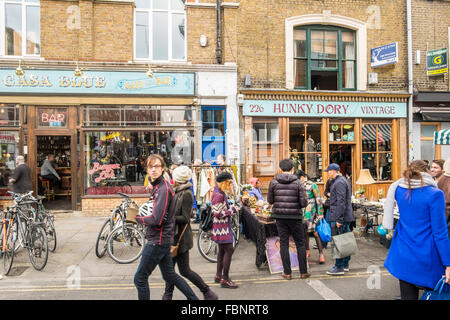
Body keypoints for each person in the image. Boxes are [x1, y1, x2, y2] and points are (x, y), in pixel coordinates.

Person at [133, 154, 199, 300]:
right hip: (163, 239)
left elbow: (157, 219)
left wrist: (138, 218)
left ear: (163, 169)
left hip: (158, 240)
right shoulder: (158, 187)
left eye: (157, 166)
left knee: (140, 278)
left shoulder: (163, 189)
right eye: (150, 167)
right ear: (147, 169)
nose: (153, 169)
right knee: (170, 275)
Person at [383, 160, 450, 300]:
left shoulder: (399, 190)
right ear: (427, 172)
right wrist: (448, 263)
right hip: (427, 255)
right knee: (438, 294)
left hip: (404, 252)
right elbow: (440, 233)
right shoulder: (435, 194)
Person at [162, 166, 218, 300]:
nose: (172, 179)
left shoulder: (186, 193)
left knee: (184, 271)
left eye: (174, 176)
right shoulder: (176, 191)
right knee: (170, 270)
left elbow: (186, 219)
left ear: (179, 179)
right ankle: (168, 295)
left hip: (181, 238)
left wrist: (168, 218)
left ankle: (207, 292)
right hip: (173, 236)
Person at [267, 159, 310, 280]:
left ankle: (287, 273)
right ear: (292, 169)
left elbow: (270, 201)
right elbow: (303, 202)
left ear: (280, 169)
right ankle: (303, 272)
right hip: (295, 217)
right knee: (300, 243)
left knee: (284, 244)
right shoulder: (298, 183)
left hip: (280, 217)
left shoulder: (274, 182)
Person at [325, 163, 354, 276]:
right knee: (344, 241)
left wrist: (339, 219)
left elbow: (341, 202)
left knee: (338, 242)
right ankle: (345, 264)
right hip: (343, 216)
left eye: (329, 171)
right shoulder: (342, 180)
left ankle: (339, 266)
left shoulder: (339, 182)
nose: (328, 173)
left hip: (340, 216)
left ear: (334, 171)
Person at [211, 171, 239, 288]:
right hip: (221, 227)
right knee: (229, 250)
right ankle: (225, 279)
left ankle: (218, 275)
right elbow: (217, 213)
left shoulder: (219, 192)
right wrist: (232, 211)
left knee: (222, 251)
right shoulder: (219, 195)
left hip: (220, 226)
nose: (230, 185)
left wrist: (231, 208)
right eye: (229, 183)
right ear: (224, 183)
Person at [295, 170, 325, 264]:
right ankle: (307, 251)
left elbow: (318, 199)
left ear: (302, 177)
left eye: (298, 178)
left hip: (312, 211)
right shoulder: (297, 185)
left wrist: (320, 213)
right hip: (302, 212)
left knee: (316, 233)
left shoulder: (312, 185)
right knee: (305, 233)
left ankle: (321, 253)